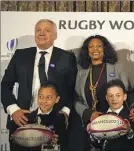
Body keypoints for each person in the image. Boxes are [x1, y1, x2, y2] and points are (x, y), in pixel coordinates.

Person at [1, 19, 77, 151]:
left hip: (55, 122)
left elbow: (72, 89)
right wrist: (13, 110)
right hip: (22, 120)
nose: (42, 33)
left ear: (55, 35)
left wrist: (64, 113)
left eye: (47, 30)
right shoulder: (20, 55)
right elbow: (5, 85)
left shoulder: (67, 57)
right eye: (38, 30)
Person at [74, 35, 134, 150]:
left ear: (105, 49)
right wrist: (89, 114)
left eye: (99, 46)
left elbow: (128, 91)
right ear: (86, 50)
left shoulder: (117, 68)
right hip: (90, 124)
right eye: (91, 46)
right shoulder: (80, 73)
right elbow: (76, 99)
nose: (95, 49)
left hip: (115, 123)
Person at [7, 81, 68, 151]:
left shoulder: (60, 119)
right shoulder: (26, 117)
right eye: (41, 97)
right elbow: (14, 141)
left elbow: (62, 146)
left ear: (57, 99)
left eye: (48, 97)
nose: (44, 101)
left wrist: (51, 144)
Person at [87, 79, 134, 151]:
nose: (114, 99)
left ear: (124, 97)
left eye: (118, 95)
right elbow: (98, 145)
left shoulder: (133, 116)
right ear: (106, 98)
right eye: (110, 96)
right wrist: (92, 135)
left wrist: (129, 132)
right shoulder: (100, 118)